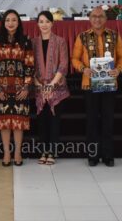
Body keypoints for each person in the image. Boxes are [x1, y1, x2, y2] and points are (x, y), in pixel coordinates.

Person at [71, 6, 122, 167]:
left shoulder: (115, 35)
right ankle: (93, 155)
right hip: (90, 84)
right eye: (94, 16)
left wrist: (118, 69)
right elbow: (74, 59)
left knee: (108, 121)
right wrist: (83, 69)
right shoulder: (82, 37)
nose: (97, 19)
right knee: (92, 121)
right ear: (89, 19)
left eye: (100, 16)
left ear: (106, 19)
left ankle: (108, 155)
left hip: (109, 84)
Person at [0, 9, 34, 167]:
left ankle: (18, 153)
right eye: (7, 20)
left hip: (19, 88)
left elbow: (30, 65)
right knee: (4, 122)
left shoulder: (26, 40)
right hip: (2, 88)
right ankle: (7, 153)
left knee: (18, 122)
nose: (10, 23)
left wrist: (26, 87)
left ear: (19, 22)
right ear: (3, 22)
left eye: (14, 20)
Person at [32, 10, 69, 165]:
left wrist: (52, 84)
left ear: (52, 23)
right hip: (39, 87)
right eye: (41, 21)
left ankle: (52, 152)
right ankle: (43, 151)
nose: (44, 25)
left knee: (54, 121)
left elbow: (63, 64)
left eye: (47, 21)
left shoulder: (60, 41)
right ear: (37, 24)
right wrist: (39, 84)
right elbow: (30, 66)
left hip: (56, 87)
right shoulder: (33, 42)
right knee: (42, 121)